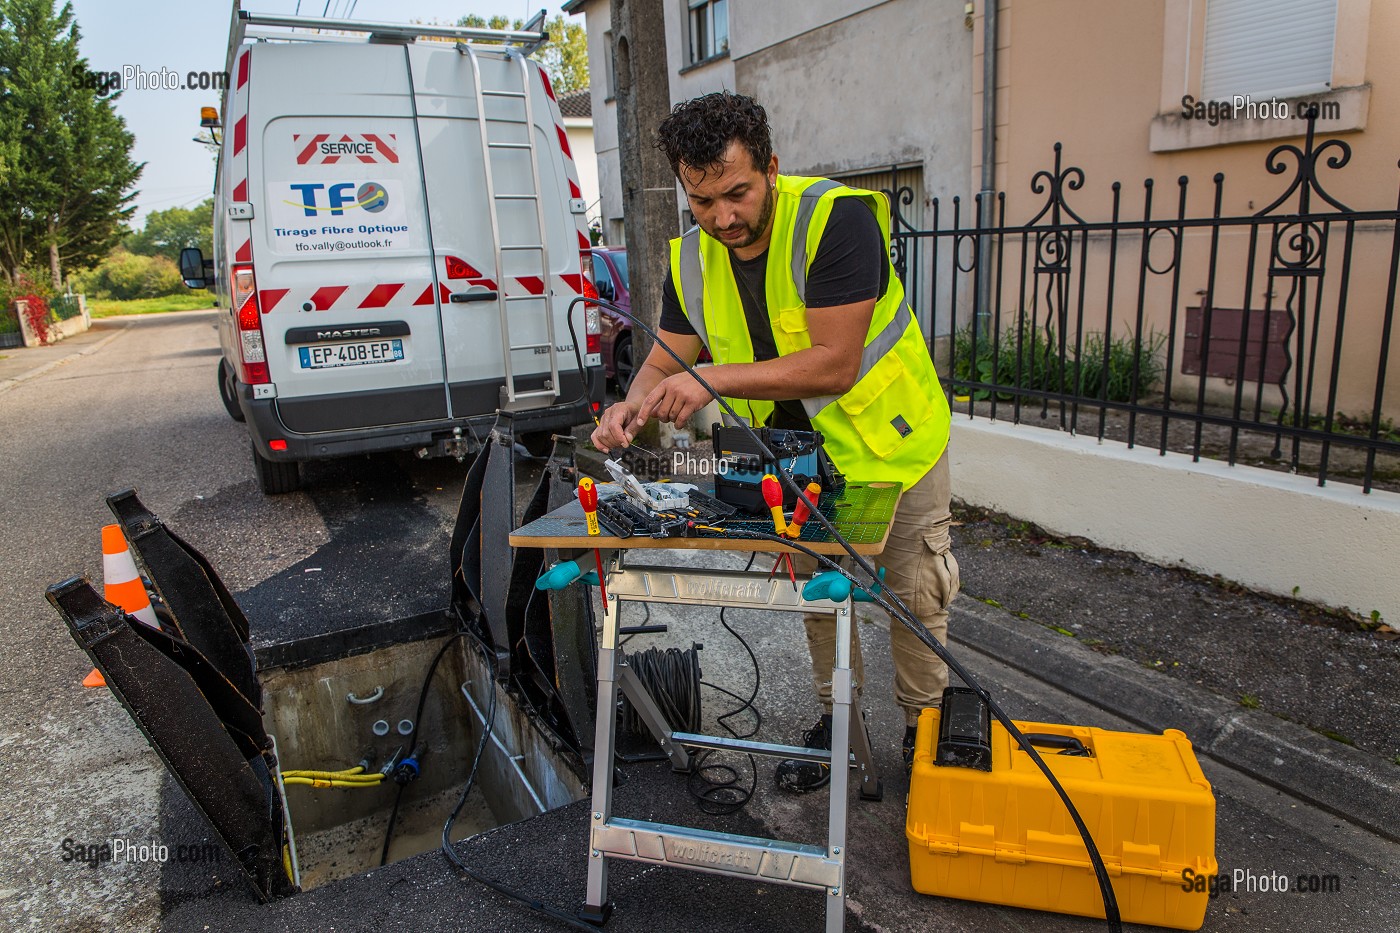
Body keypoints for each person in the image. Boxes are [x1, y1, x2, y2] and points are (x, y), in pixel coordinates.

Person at [590, 92, 958, 793]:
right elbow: (669, 353)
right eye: (702, 201)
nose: (723, 217)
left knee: (913, 593)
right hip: (796, 459)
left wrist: (711, 381)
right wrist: (630, 408)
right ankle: (839, 724)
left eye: (737, 193)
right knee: (820, 590)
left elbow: (835, 361)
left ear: (771, 169)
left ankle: (927, 731)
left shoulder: (836, 219)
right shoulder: (694, 258)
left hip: (895, 442)